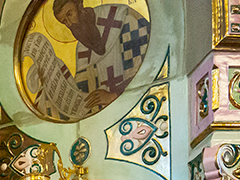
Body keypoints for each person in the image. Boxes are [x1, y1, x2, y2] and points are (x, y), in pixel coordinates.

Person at [21, 0, 149, 120]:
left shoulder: (122, 17)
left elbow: (148, 67)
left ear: (79, 5)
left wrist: (113, 95)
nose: (70, 24)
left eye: (69, 14)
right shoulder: (82, 49)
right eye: (64, 22)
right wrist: (52, 83)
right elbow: (82, 92)